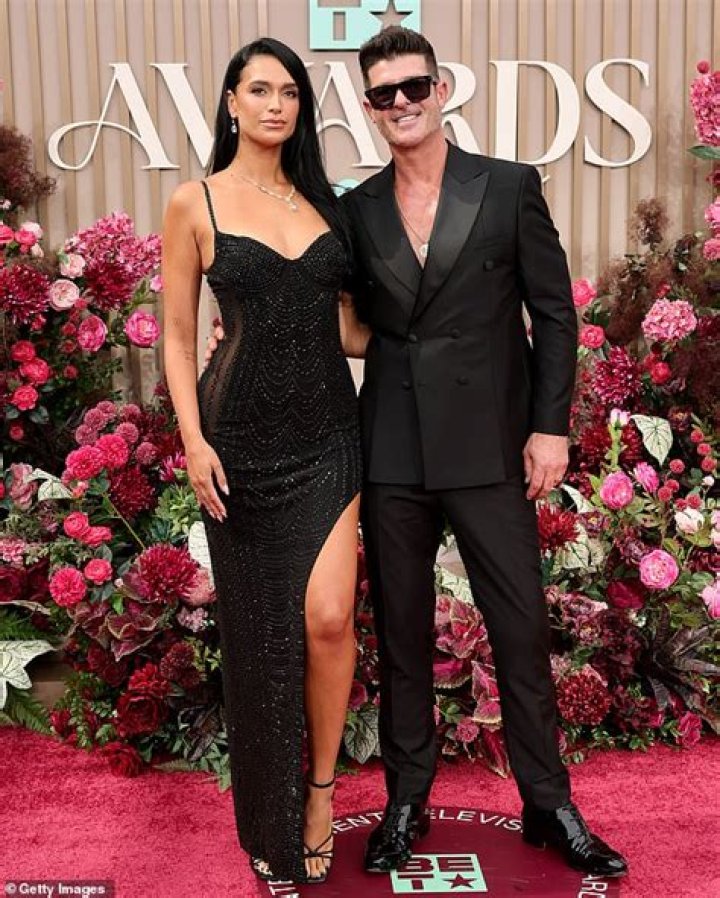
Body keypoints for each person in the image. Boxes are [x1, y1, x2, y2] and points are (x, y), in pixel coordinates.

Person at [206, 25, 628, 882]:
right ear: (369, 109)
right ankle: (406, 801)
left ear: (441, 91)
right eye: (383, 94)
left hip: (490, 449)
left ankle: (549, 803)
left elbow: (554, 314)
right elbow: (326, 310)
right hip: (392, 449)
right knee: (401, 638)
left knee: (519, 630)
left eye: (413, 87)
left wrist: (549, 428)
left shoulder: (508, 186)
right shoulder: (354, 210)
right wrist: (245, 330)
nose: (401, 103)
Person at [161, 37, 369, 885]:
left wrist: (456, 318)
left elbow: (349, 331)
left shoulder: (329, 207)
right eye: (259, 89)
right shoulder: (196, 202)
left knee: (328, 619)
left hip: (329, 437)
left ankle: (319, 795)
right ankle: (266, 813)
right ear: (232, 103)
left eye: (289, 92)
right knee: (259, 639)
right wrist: (192, 441)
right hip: (237, 442)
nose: (276, 104)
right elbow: (179, 338)